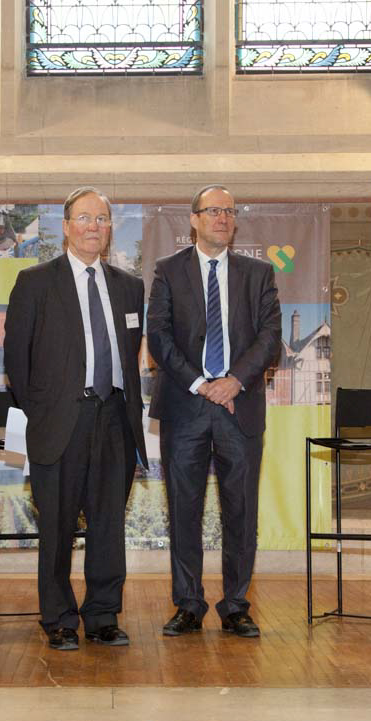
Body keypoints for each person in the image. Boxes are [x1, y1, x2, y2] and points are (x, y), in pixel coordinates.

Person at [3, 187, 147, 651]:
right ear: (65, 226)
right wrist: (44, 411)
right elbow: (17, 360)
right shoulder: (35, 281)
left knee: (108, 525)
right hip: (59, 423)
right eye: (84, 218)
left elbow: (127, 355)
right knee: (58, 527)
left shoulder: (129, 286)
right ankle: (59, 618)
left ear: (109, 229)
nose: (93, 227)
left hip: (115, 421)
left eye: (102, 220)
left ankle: (103, 614)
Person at [147, 185, 281, 639]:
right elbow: (159, 336)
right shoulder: (168, 271)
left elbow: (269, 337)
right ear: (194, 219)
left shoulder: (259, 274)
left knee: (240, 511)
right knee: (184, 509)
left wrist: (233, 381)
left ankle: (236, 605)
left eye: (228, 211)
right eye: (212, 211)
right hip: (186, 407)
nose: (222, 218)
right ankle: (188, 604)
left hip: (239, 408)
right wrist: (202, 383)